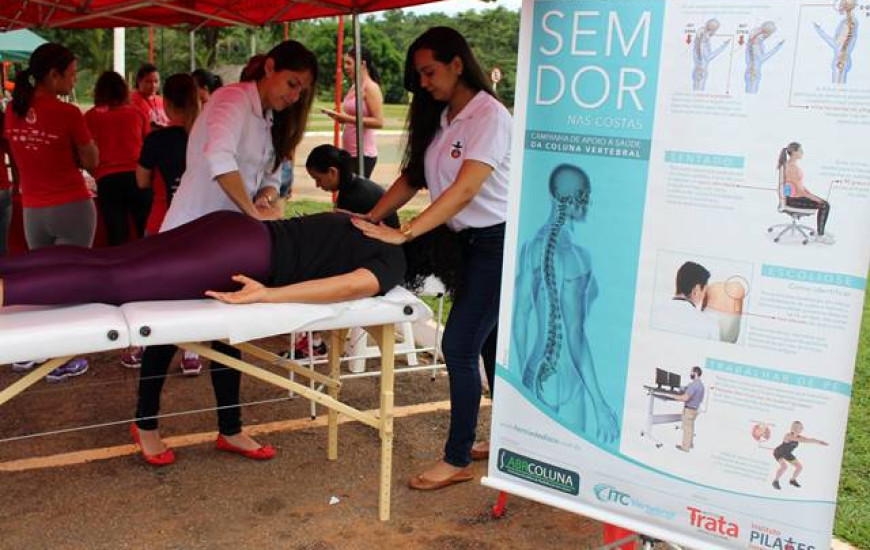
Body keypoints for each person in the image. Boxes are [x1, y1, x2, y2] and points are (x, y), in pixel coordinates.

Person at [0, 210, 407, 464]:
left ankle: (230, 430)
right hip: (239, 257)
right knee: (112, 278)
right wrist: (267, 294)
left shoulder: (370, 222)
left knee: (110, 259)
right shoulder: (392, 257)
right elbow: (348, 287)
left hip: (232, 228)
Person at [134, 40, 319, 466]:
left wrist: (268, 196)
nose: (293, 96)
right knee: (166, 335)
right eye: (291, 84)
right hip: (190, 234)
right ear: (269, 68)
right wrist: (252, 212)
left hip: (231, 239)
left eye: (300, 91)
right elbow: (219, 158)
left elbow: (272, 173)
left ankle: (231, 428)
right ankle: (145, 423)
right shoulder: (230, 100)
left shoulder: (272, 116)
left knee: (228, 331)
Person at [354, 27, 511, 490]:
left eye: (429, 72)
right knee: (486, 345)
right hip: (468, 246)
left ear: (457, 63)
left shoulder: (489, 116)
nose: (423, 83)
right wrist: (368, 217)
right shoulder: (443, 116)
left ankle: (458, 457)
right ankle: (507, 440)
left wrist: (405, 232)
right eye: (419, 75)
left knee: (459, 347)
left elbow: (464, 190)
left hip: (496, 244)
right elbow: (413, 177)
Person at [4, 42, 99, 381]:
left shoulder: (13, 110)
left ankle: (33, 351)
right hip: (71, 206)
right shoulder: (68, 113)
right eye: (71, 75)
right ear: (53, 75)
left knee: (42, 283)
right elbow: (91, 160)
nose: (74, 81)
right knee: (70, 282)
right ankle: (65, 356)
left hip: (33, 209)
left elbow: (15, 156)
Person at [513, 165, 618, 442]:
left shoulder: (530, 246)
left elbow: (520, 316)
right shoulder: (576, 258)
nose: (588, 203)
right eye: (585, 196)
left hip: (534, 371)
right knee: (572, 457)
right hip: (567, 377)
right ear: (570, 199)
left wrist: (524, 369)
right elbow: (575, 336)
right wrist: (600, 404)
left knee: (534, 450)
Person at [133, 72, 201, 374]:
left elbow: (142, 181)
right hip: (201, 222)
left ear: (169, 106)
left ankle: (147, 345)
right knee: (195, 286)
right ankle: (191, 352)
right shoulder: (209, 137)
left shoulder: (157, 139)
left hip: (163, 220)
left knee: (154, 285)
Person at [85, 71, 151, 245]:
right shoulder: (137, 113)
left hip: (107, 180)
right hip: (138, 177)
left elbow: (85, 151)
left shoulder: (91, 116)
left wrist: (96, 172)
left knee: (117, 234)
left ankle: (121, 270)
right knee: (144, 229)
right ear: (123, 90)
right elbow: (147, 145)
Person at [323, 47, 384, 178]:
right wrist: (339, 117)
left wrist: (347, 119)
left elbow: (379, 122)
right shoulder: (354, 86)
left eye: (349, 63)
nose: (345, 67)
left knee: (354, 195)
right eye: (345, 63)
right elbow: (352, 116)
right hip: (349, 153)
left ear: (363, 64)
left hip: (363, 154)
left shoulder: (370, 88)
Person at [306, 144, 398, 228]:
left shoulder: (353, 197)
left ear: (332, 172)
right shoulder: (353, 185)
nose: (317, 185)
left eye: (318, 179)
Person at [779, 142, 833, 244]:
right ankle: (820, 235)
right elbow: (799, 190)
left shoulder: (790, 165)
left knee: (822, 202)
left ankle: (820, 231)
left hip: (792, 197)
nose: (802, 153)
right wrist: (814, 198)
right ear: (794, 152)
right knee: (825, 205)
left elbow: (799, 186)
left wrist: (812, 195)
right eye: (800, 151)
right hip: (793, 200)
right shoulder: (792, 168)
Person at [652, 261, 721, 340]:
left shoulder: (654, 312)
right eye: (704, 291)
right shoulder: (710, 325)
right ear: (696, 290)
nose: (704, 297)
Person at [771, 421, 828, 490]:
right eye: (794, 427)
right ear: (791, 428)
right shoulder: (788, 435)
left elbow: (808, 439)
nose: (795, 428)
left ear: (801, 430)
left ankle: (792, 480)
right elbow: (805, 440)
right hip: (779, 452)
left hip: (787, 454)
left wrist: (820, 442)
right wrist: (812, 441)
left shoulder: (799, 437)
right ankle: (775, 481)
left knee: (799, 467)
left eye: (797, 427)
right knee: (784, 466)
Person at [814, 0, 858, 84]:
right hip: (842, 60)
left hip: (840, 62)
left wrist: (820, 31)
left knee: (838, 88)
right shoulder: (851, 22)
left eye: (841, 5)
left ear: (846, 7)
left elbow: (835, 44)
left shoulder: (847, 24)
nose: (839, 7)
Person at [744, 22, 784, 94]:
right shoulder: (756, 42)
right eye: (770, 34)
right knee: (751, 93)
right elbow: (761, 59)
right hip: (753, 75)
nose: (769, 36)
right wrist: (777, 48)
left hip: (752, 73)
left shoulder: (755, 39)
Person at [692, 19, 731, 92]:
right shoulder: (703, 40)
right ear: (712, 30)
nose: (715, 33)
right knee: (698, 92)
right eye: (715, 30)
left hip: (699, 72)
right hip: (700, 73)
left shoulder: (701, 37)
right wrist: (723, 46)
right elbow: (709, 57)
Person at [674, 366, 705, 452]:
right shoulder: (701, 385)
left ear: (695, 373)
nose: (690, 374)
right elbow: (700, 398)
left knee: (687, 429)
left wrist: (674, 397)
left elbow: (685, 398)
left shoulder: (693, 384)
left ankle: (685, 447)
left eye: (691, 372)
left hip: (689, 409)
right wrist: (685, 388)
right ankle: (690, 444)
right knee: (690, 428)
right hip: (695, 409)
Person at [130, 63, 168, 129]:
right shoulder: (131, 101)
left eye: (156, 81)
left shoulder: (161, 100)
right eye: (148, 82)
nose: (153, 86)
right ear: (139, 81)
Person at [0, 108, 15, 256]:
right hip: (3, 189)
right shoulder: (1, 119)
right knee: (3, 247)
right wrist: (17, 184)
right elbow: (13, 155)